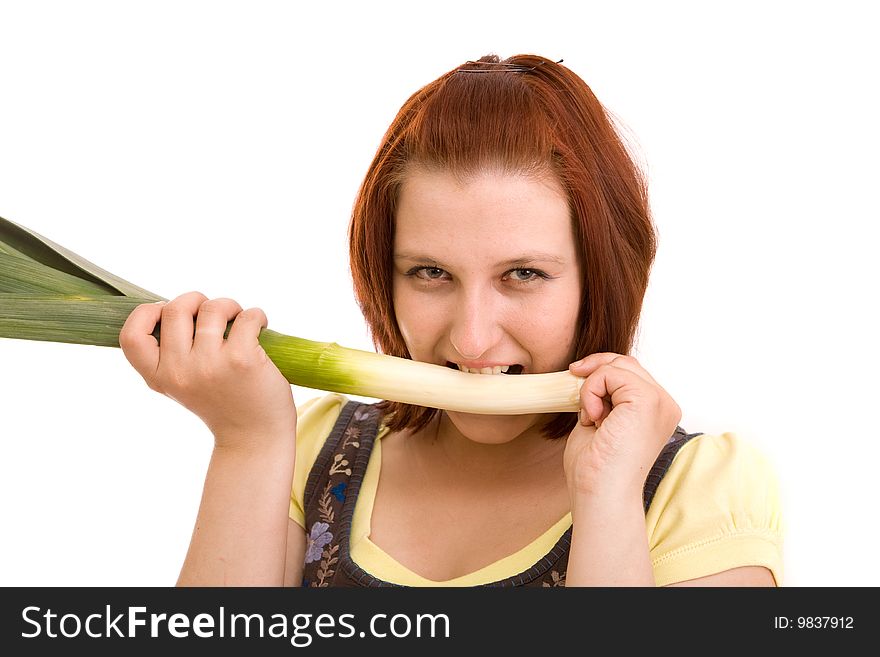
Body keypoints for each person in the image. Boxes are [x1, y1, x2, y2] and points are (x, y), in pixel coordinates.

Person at [119, 54, 783, 587]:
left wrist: (607, 498)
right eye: (430, 273)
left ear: (601, 274)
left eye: (523, 274)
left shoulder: (704, 490)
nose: (471, 338)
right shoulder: (312, 450)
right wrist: (246, 443)